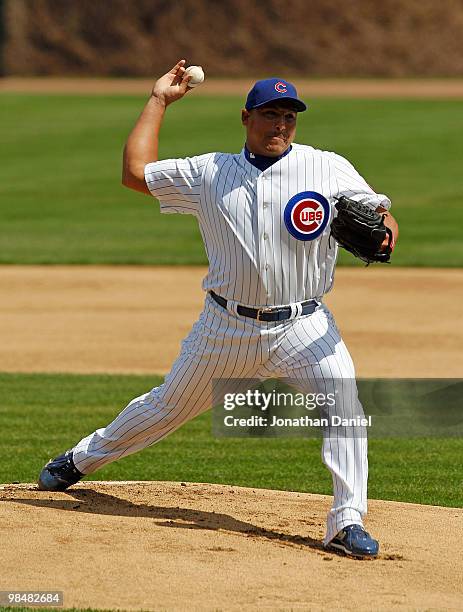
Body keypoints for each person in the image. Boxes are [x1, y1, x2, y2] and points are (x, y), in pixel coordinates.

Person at [38, 60, 398, 558]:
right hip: (225, 329)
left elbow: (381, 218)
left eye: (288, 116)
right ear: (246, 118)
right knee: (166, 407)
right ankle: (80, 460)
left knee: (345, 409)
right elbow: (135, 173)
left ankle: (346, 521)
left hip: (305, 326)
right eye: (269, 114)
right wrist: (159, 100)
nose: (279, 125)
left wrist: (384, 236)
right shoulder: (210, 173)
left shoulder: (328, 167)